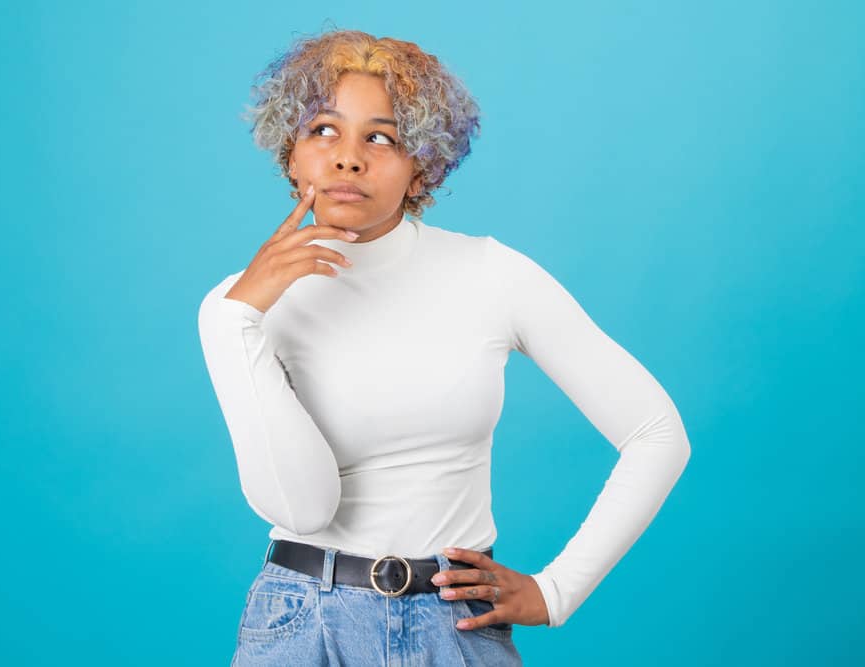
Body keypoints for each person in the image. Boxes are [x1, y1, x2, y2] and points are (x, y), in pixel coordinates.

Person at [197, 28, 691, 666]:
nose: (348, 158)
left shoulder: (493, 275)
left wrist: (559, 590)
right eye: (323, 129)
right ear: (289, 151)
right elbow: (305, 508)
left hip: (452, 627)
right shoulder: (234, 309)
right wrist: (237, 318)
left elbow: (656, 430)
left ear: (421, 163)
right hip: (299, 624)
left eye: (381, 137)